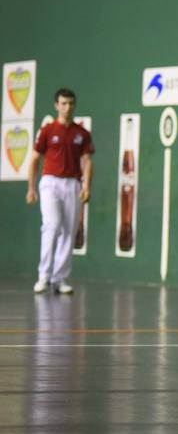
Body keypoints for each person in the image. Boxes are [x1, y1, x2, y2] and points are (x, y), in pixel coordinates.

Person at [26, 88, 94, 295]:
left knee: (70, 230)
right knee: (52, 225)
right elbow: (35, 159)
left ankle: (60, 278)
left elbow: (87, 161)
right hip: (50, 183)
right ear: (56, 106)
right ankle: (43, 276)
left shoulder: (81, 133)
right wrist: (31, 188)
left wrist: (86, 186)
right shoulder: (47, 131)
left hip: (72, 184)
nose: (67, 107)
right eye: (63, 103)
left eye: (71, 103)